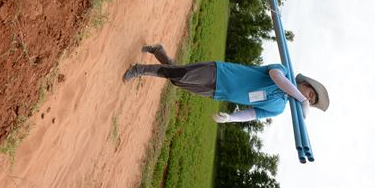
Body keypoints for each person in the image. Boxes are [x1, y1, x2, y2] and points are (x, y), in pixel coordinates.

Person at [123, 44, 329, 122]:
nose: (307, 99)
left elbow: (253, 114)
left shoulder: (278, 109)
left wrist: (231, 118)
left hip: (218, 93)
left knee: (177, 80)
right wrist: (300, 98)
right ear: (306, 84)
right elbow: (276, 77)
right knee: (178, 75)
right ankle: (138, 69)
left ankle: (159, 51)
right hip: (220, 73)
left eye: (310, 101)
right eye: (310, 95)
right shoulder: (284, 71)